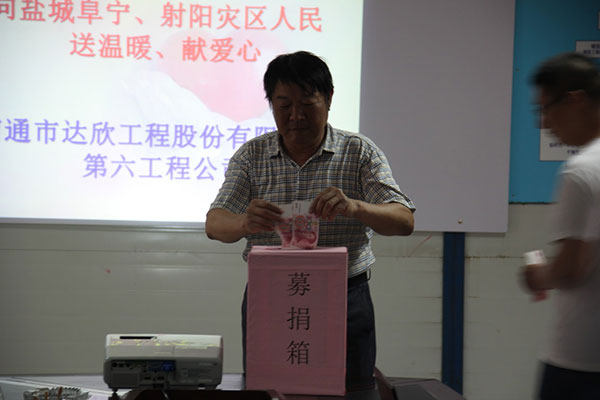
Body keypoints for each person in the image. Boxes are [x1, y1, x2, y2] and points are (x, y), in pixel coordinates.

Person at [205, 50, 415, 389]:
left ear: (329, 99)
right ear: (271, 105)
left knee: (351, 390)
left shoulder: (359, 151)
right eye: (284, 105)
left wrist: (356, 207)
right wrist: (244, 222)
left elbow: (403, 220)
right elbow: (215, 224)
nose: (296, 116)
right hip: (270, 296)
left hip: (344, 296)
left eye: (307, 103)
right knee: (271, 390)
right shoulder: (251, 156)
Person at [521, 52, 600, 399]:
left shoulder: (581, 171)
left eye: (546, 109)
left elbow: (571, 269)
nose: (544, 123)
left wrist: (536, 275)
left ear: (575, 100)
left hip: (580, 358)